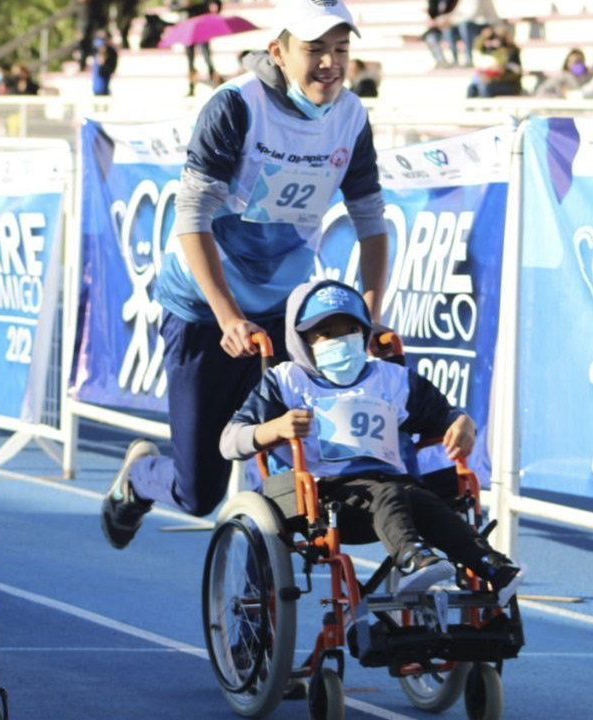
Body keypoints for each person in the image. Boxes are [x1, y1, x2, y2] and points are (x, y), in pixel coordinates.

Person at [101, 0, 392, 549]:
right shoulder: (235, 105)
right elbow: (191, 217)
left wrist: (370, 319)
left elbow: (372, 222)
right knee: (199, 492)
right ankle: (141, 477)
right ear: (279, 52)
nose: (330, 63)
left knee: (311, 463)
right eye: (315, 50)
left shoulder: (352, 116)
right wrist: (227, 315)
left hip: (287, 311)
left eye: (341, 50)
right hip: (205, 308)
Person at [221, 279, 525, 600]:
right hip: (325, 497)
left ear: (364, 332)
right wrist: (276, 428)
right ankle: (414, 559)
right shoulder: (287, 383)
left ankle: (493, 566)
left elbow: (443, 415)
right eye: (325, 333)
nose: (339, 340)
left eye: (349, 330)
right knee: (389, 491)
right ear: (301, 339)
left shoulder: (391, 379)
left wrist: (463, 423)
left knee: (428, 503)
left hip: (396, 488)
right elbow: (229, 441)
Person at [435, 0, 500, 68]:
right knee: (450, 29)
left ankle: (469, 58)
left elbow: (472, 15)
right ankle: (455, 60)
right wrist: (446, 18)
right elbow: (457, 13)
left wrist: (450, 20)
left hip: (484, 24)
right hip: (467, 24)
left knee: (464, 25)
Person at [181, 0, 224, 96]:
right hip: (189, 29)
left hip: (201, 28)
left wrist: (214, 14)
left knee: (207, 58)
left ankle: (214, 83)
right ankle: (192, 87)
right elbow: (174, 7)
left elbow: (217, 3)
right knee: (190, 61)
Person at [466, 24, 521, 98]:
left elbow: (516, 73)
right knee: (472, 88)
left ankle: (485, 108)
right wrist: (483, 37)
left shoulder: (512, 52)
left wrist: (494, 78)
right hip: (493, 81)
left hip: (509, 85)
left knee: (485, 87)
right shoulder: (494, 51)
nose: (497, 40)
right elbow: (477, 49)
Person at [422, 0, 459, 68]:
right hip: (438, 28)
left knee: (449, 33)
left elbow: (458, 14)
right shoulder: (433, 1)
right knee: (430, 37)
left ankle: (455, 60)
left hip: (453, 28)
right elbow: (432, 15)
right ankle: (441, 61)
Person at [92, 32, 120, 96]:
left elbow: (112, 65)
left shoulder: (110, 51)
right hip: (100, 75)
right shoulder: (99, 49)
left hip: (106, 71)